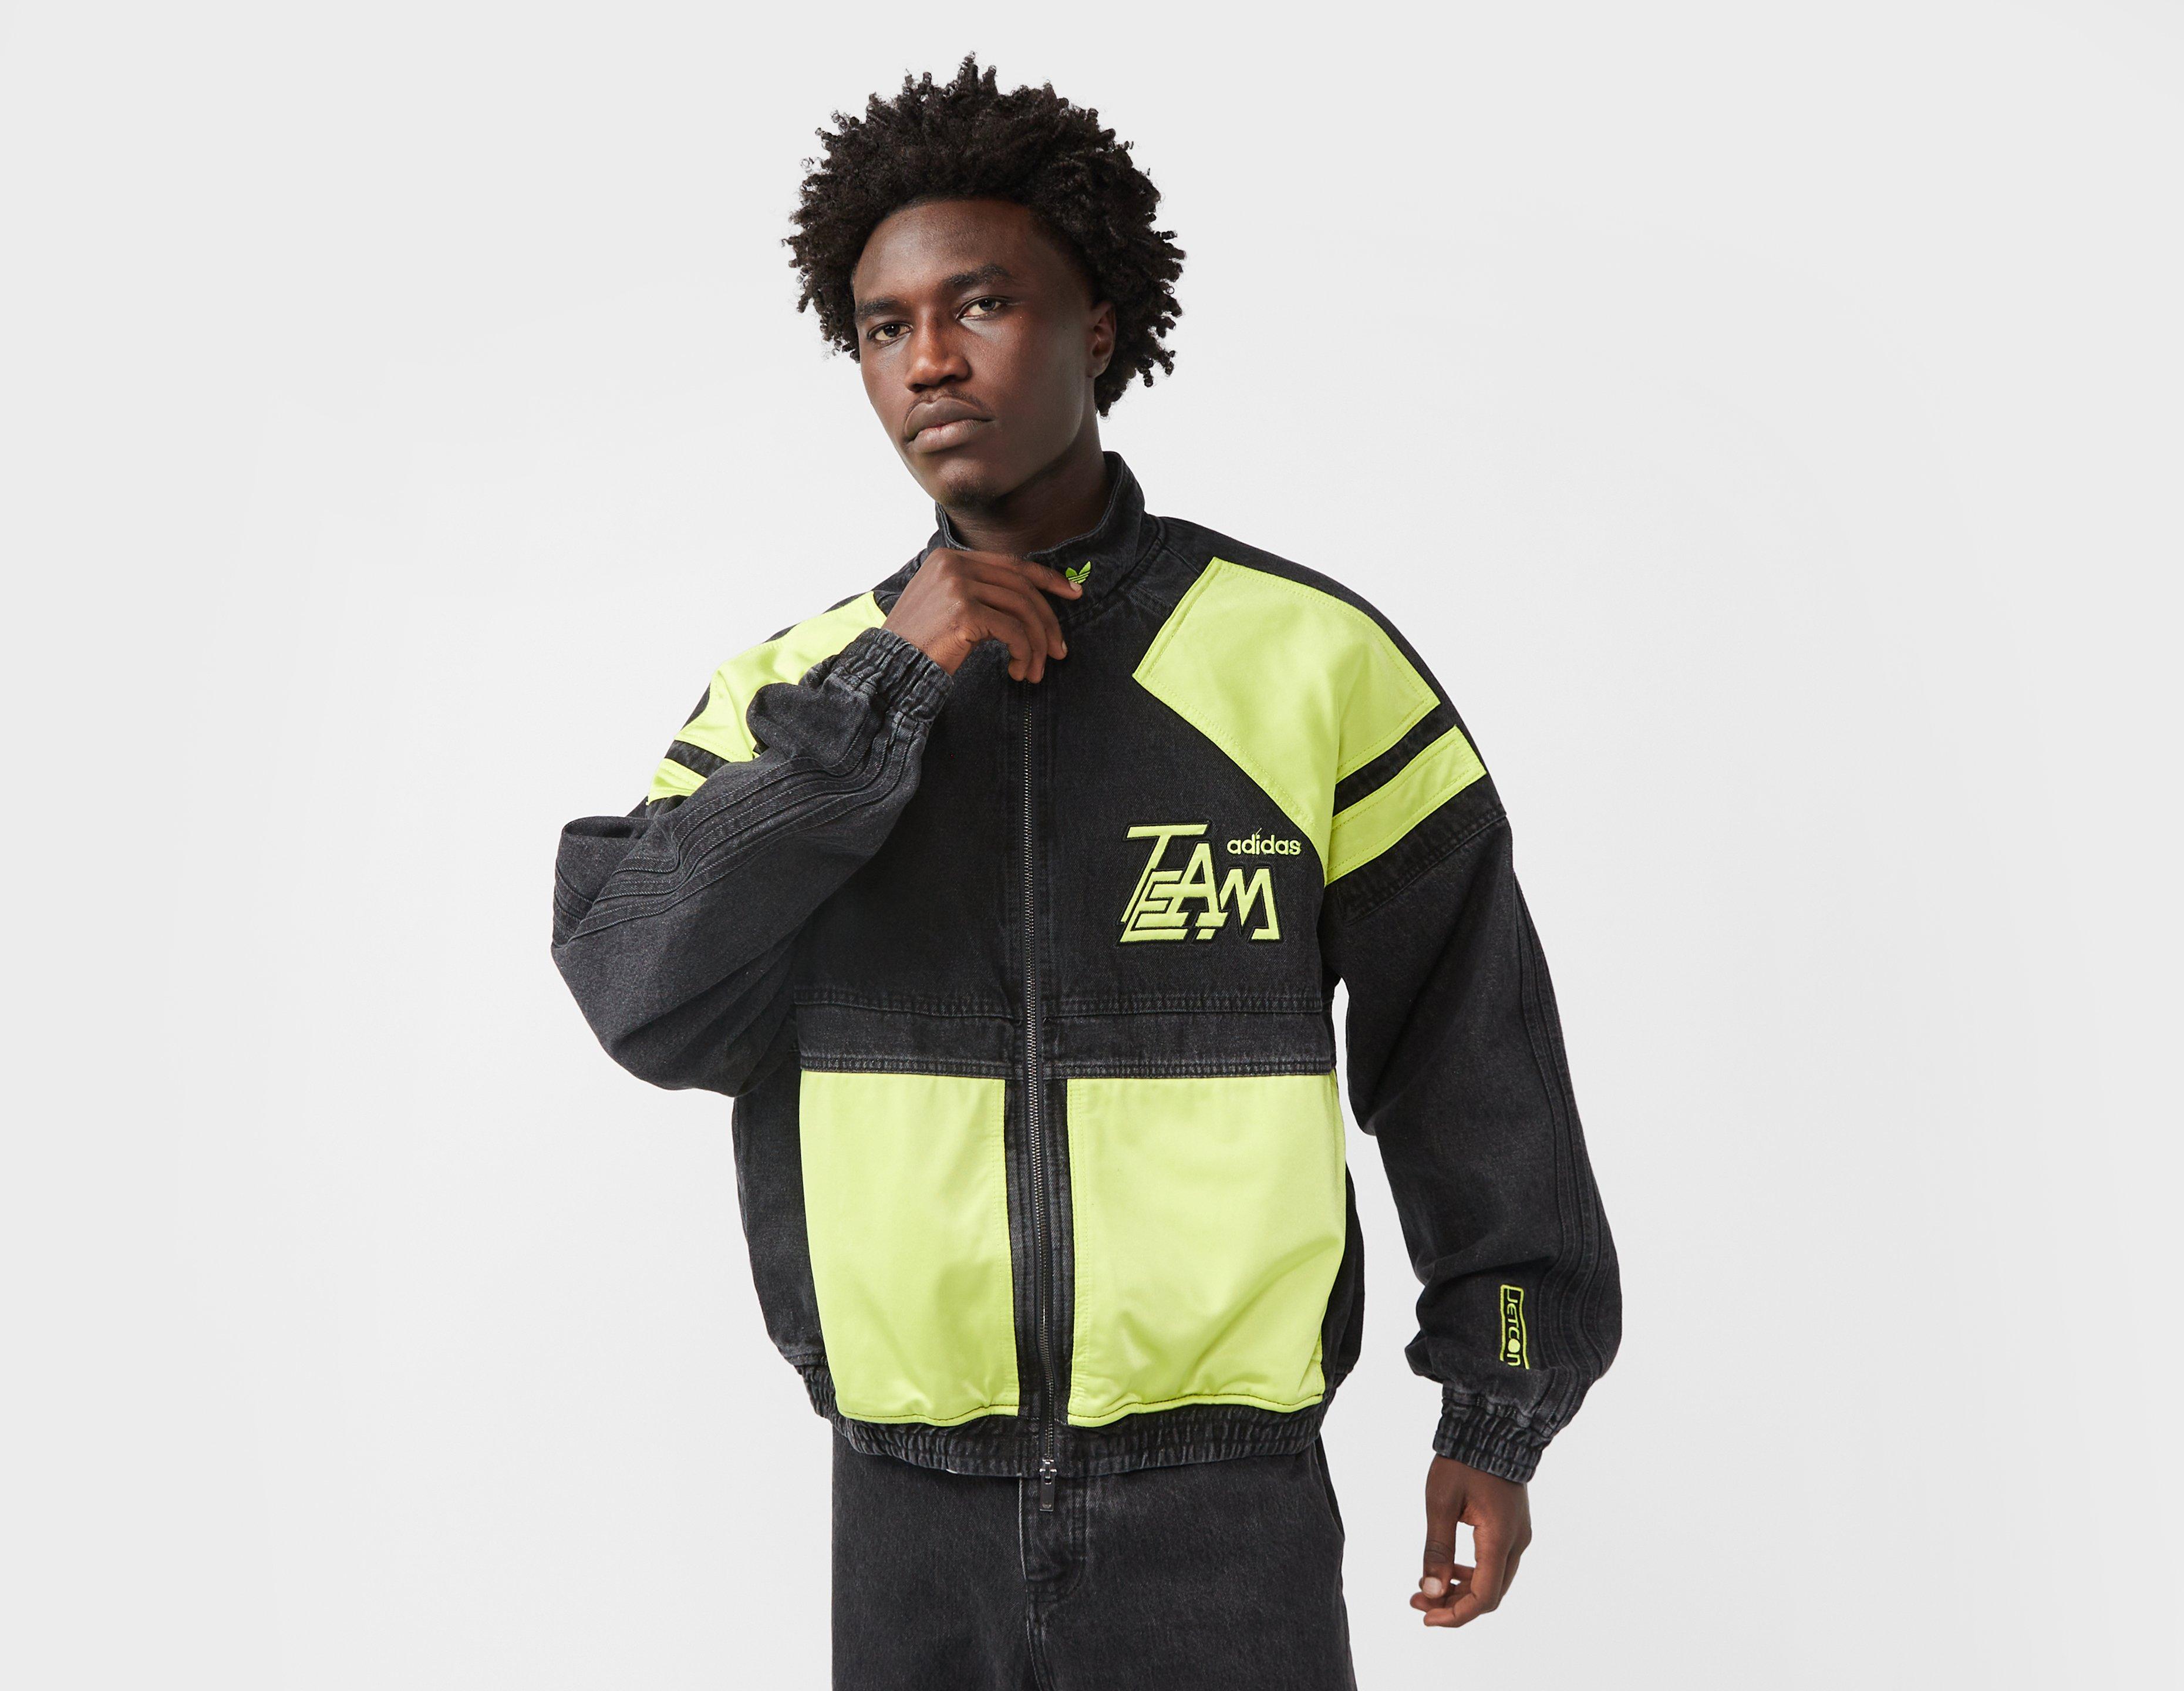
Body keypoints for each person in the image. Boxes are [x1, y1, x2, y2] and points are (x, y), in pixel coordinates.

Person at [551, 55, 1620, 1690]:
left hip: (1226, 1516)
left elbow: (1471, 1058)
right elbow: (639, 990)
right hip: (908, 1515)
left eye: (980, 305)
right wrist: (883, 698)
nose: (929, 360)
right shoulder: (800, 694)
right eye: (884, 327)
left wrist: (1500, 1405)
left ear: (1101, 324)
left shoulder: (1308, 666)